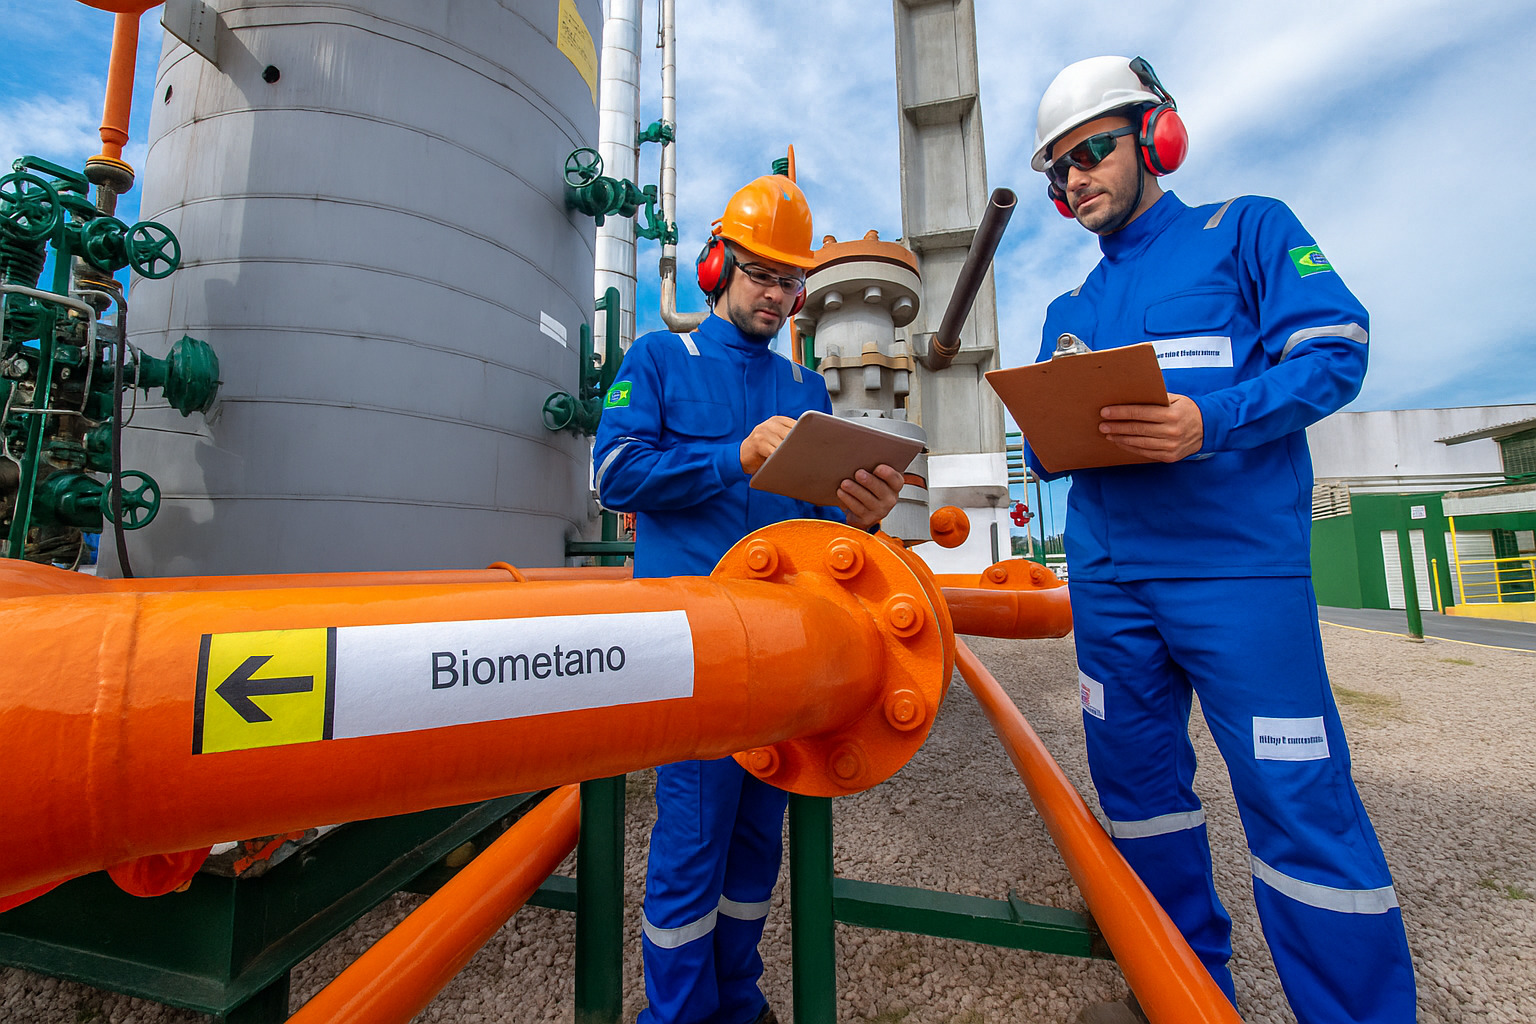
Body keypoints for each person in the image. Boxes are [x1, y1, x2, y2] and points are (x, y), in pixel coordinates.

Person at [1024, 56, 1416, 1024]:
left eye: (1090, 152)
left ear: (1158, 136)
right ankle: (1179, 992)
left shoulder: (1247, 229)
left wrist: (1214, 418)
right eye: (1057, 170)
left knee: (1298, 806)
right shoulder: (1067, 312)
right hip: (1112, 586)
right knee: (1141, 800)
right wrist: (1041, 442)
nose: (1074, 179)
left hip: (1235, 576)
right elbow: (1043, 444)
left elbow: (1335, 355)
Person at [593, 173, 904, 1024]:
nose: (779, 293)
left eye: (791, 279)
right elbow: (613, 473)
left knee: (757, 842)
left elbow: (817, 532)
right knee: (692, 842)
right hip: (692, 649)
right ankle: (677, 1016)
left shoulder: (804, 392)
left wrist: (862, 521)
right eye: (762, 273)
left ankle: (738, 1000)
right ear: (717, 265)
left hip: (784, 654)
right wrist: (732, 457)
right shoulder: (660, 359)